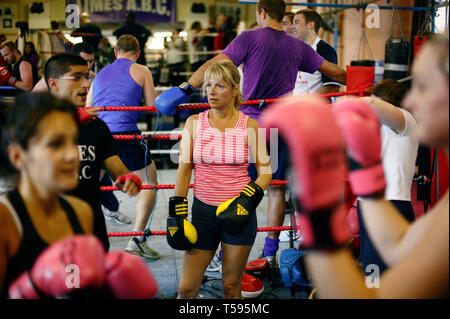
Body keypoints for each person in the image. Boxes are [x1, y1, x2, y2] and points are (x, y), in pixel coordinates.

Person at [155, 0, 347, 269]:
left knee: (234, 185)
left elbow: (215, 64)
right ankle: (268, 253)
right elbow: (337, 72)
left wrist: (184, 88)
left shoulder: (249, 38)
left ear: (262, 13)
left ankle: (223, 253)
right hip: (280, 128)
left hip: (247, 126)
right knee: (276, 191)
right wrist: (367, 82)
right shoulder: (298, 46)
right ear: (283, 16)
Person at [263, 32, 449, 298]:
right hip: (375, 206)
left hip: (394, 202)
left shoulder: (405, 119)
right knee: (372, 273)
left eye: (423, 85)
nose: (412, 101)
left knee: (376, 281)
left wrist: (325, 110)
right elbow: (397, 247)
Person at [172, 60, 272, 299]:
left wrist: (245, 202)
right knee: (185, 289)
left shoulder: (250, 126)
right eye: (208, 85)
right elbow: (184, 169)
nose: (211, 92)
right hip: (203, 214)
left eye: (219, 86)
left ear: (235, 89)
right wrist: (176, 211)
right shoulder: (194, 123)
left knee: (230, 286)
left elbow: (266, 172)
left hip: (238, 215)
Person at [0, 93, 94, 297]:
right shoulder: (5, 220)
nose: (72, 154)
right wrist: (29, 291)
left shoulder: (81, 212)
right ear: (17, 156)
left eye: (74, 141)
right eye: (55, 144)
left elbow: (74, 287)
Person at [45, 53, 141, 251]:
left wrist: (128, 178)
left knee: (93, 280)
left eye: (87, 77)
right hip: (49, 225)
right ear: (54, 84)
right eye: (77, 77)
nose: (86, 85)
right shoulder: (33, 124)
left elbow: (116, 167)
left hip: (90, 224)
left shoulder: (96, 126)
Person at [87, 35, 160, 259]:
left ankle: (81, 237)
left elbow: (89, 108)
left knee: (88, 187)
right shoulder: (142, 70)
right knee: (150, 185)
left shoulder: (99, 74)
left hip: (96, 133)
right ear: (137, 54)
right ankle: (137, 239)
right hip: (125, 134)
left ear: (115, 53)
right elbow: (152, 107)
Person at [356, 79, 419, 274]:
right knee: (370, 269)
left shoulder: (405, 121)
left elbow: (373, 105)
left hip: (391, 204)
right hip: (367, 204)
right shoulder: (374, 129)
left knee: (383, 274)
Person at [292, 9, 340, 96]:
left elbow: (332, 87)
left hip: (314, 107)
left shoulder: (324, 49)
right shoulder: (296, 50)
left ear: (310, 25)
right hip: (295, 106)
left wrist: (307, 101)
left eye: (296, 22)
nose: (292, 26)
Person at [32, 42, 96, 93]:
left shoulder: (94, 78)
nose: (89, 65)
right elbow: (34, 96)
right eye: (84, 61)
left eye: (91, 61)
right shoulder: (57, 73)